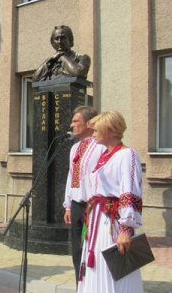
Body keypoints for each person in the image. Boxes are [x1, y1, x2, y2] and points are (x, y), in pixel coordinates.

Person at [77, 110, 143, 293]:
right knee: (96, 265)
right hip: (98, 220)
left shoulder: (127, 154)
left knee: (113, 269)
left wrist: (126, 229)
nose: (93, 133)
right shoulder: (104, 155)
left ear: (111, 130)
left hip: (112, 223)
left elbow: (130, 191)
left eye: (97, 129)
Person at [63, 106, 106, 284]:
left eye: (75, 121)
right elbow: (71, 175)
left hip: (94, 206)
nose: (71, 125)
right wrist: (68, 205)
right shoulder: (74, 148)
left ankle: (93, 285)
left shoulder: (101, 147)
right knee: (76, 250)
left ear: (89, 123)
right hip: (76, 205)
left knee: (92, 249)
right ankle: (79, 284)